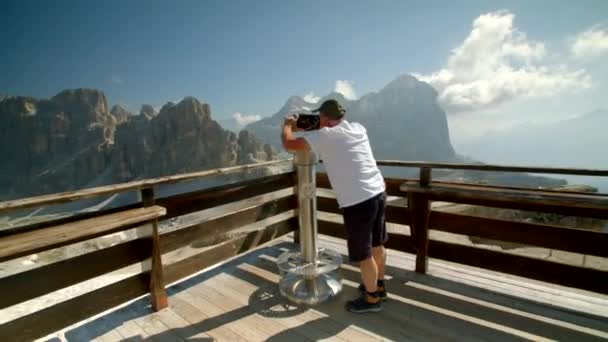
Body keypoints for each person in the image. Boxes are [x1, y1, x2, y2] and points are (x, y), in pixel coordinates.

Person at [281, 99, 388, 313]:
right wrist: (315, 124)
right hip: (378, 192)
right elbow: (328, 131)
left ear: (326, 119)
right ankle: (379, 285)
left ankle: (372, 299)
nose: (317, 120)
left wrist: (287, 125)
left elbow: (289, 144)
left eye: (320, 117)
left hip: (358, 201)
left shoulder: (324, 137)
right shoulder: (358, 128)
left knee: (364, 253)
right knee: (377, 244)